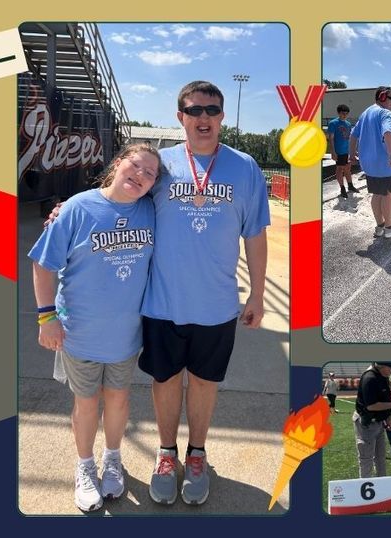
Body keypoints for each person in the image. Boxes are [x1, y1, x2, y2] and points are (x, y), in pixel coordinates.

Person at [140, 81, 270, 506]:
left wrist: (257, 293)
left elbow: (254, 233)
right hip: (162, 301)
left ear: (222, 116)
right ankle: (165, 453)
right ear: (180, 116)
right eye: (194, 110)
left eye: (211, 110)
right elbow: (115, 198)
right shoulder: (159, 164)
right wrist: (67, 210)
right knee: (164, 380)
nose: (203, 118)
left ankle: (196, 452)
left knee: (204, 382)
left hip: (216, 304)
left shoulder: (245, 167)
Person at [29, 143, 159, 512]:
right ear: (118, 163)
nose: (141, 176)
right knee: (86, 402)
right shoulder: (76, 208)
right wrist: (46, 317)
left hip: (125, 335)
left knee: (118, 398)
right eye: (136, 166)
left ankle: (112, 459)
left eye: (150, 174)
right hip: (79, 333)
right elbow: (43, 263)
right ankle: (85, 466)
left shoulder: (151, 210)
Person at [350, 86, 391, 239]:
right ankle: (389, 227)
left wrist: (351, 154)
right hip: (384, 164)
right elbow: (388, 133)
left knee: (377, 194)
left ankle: (379, 226)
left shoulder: (365, 113)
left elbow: (353, 135)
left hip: (368, 165)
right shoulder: (385, 113)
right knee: (387, 195)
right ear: (383, 97)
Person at [353, 362, 391, 477]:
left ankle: (382, 487)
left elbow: (385, 398)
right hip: (367, 423)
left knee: (380, 457)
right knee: (367, 459)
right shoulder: (369, 378)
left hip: (379, 422)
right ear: (382, 366)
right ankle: (365, 487)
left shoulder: (383, 377)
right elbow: (371, 406)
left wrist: (388, 417)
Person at [327, 104, 359, 198]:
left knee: (348, 169)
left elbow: (349, 138)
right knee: (340, 169)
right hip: (339, 151)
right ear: (338, 113)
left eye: (346, 113)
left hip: (347, 150)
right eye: (342, 113)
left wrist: (353, 150)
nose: (344, 115)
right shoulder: (333, 123)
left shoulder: (348, 124)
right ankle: (342, 188)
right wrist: (333, 151)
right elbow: (331, 138)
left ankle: (350, 185)